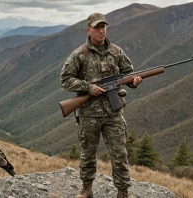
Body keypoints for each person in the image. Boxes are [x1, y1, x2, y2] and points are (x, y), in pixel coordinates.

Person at [60, 12, 142, 198]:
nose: (101, 31)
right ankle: (86, 189)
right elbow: (65, 80)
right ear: (88, 29)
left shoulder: (116, 52)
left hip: (113, 113)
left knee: (120, 154)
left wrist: (134, 82)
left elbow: (129, 74)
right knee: (88, 153)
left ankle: (123, 192)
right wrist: (89, 88)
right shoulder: (79, 55)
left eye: (103, 27)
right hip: (89, 113)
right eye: (97, 27)